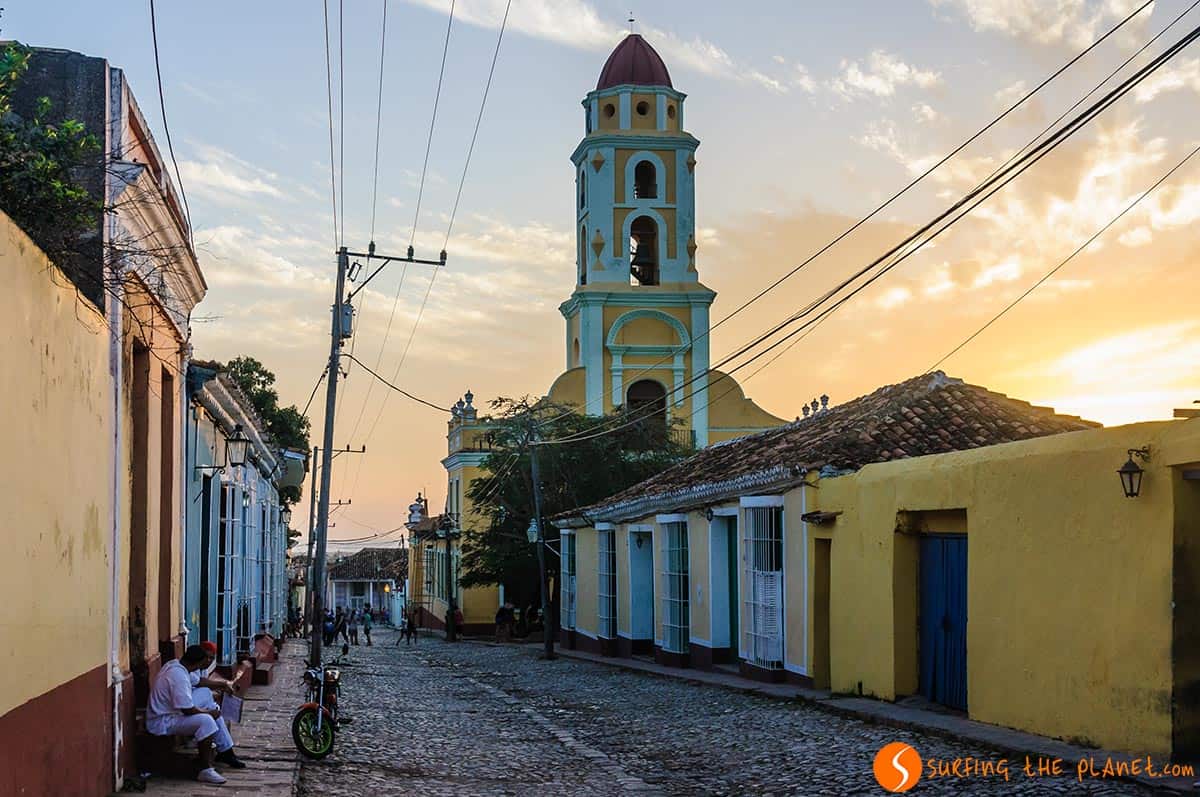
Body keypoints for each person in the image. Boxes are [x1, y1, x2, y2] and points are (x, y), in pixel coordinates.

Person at [146, 645, 227, 785]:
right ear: (198, 663)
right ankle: (205, 768)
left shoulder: (175, 666)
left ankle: (214, 749)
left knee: (206, 697)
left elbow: (199, 683)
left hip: (169, 714)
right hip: (163, 721)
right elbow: (187, 709)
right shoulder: (179, 677)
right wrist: (209, 713)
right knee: (206, 721)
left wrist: (222, 686)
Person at [192, 642, 247, 769]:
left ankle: (226, 750)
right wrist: (222, 685)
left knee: (215, 711)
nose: (209, 661)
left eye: (212, 658)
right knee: (211, 703)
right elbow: (199, 683)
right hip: (181, 705)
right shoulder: (191, 668)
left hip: (193, 700)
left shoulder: (203, 669)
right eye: (207, 657)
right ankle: (226, 751)